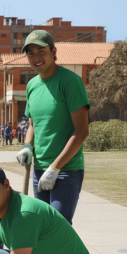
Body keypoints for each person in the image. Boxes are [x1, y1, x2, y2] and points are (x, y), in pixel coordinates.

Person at [16, 30, 89, 224]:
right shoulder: (32, 85)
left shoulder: (70, 81)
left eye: (41, 51)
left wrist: (55, 168)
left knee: (58, 229)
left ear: (53, 51)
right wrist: (27, 146)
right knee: (41, 229)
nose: (36, 57)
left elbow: (81, 131)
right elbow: (32, 123)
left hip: (66, 170)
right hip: (39, 168)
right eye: (30, 53)